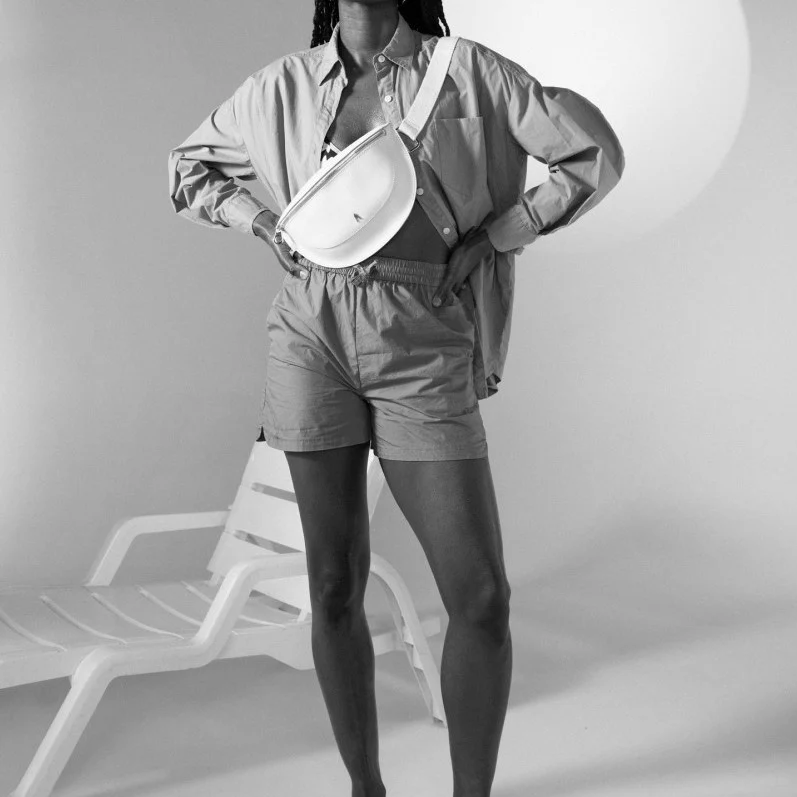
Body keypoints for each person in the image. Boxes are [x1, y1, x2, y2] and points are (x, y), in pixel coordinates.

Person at [168, 2, 625, 795]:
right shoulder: (281, 85)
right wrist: (263, 222)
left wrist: (500, 233)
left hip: (423, 331)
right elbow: (188, 167)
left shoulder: (470, 72)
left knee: (478, 596)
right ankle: (366, 789)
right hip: (309, 334)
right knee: (331, 585)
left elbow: (591, 154)